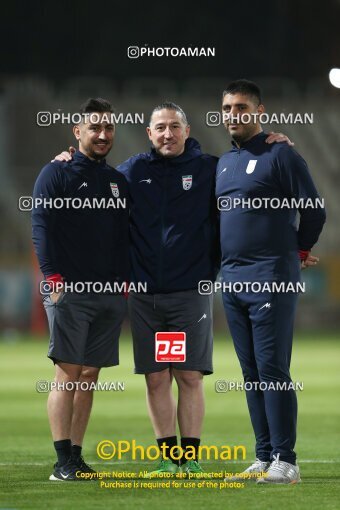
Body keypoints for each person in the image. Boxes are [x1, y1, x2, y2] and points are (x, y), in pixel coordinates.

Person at [55, 101, 292, 475]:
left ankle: (190, 459)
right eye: (160, 128)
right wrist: (69, 162)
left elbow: (252, 182)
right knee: (156, 377)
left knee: (188, 375)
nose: (168, 134)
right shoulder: (132, 172)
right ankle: (168, 458)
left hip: (188, 292)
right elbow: (95, 180)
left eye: (174, 127)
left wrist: (272, 145)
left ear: (187, 130)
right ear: (150, 134)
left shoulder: (210, 169)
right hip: (147, 295)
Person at [216, 80, 326, 484]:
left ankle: (287, 460)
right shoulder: (224, 164)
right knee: (250, 373)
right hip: (232, 280)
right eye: (227, 108)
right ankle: (263, 456)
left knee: (273, 370)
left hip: (271, 279)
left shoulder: (281, 154)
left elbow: (314, 209)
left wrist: (297, 251)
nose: (233, 115)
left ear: (260, 111)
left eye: (242, 108)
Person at [32, 98, 129, 481]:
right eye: (94, 128)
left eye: (108, 128)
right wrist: (53, 280)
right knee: (68, 374)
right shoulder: (55, 174)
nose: (103, 135)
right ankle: (61, 464)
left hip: (108, 293)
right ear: (77, 132)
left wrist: (122, 284)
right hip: (69, 289)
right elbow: (41, 227)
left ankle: (75, 456)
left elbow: (123, 238)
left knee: (89, 376)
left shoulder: (118, 182)